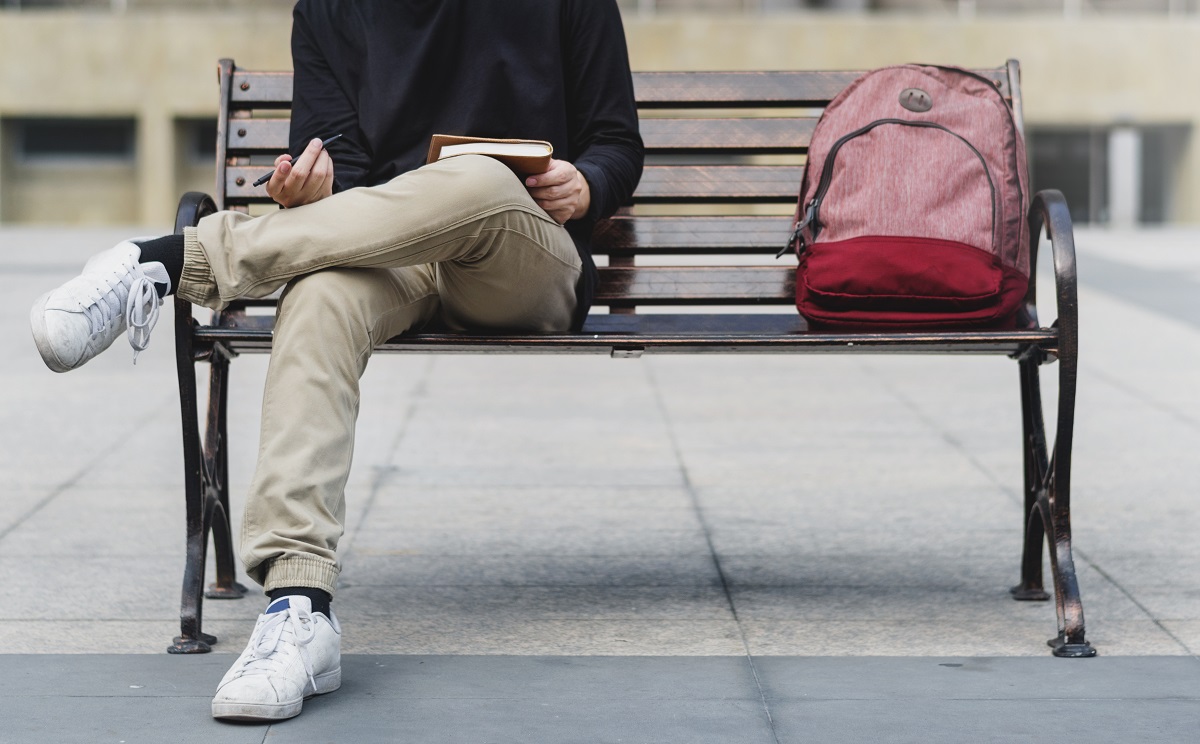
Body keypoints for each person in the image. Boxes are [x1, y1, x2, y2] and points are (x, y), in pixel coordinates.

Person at [30, 0, 643, 723]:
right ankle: (299, 609)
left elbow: (616, 143)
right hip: (393, 250)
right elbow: (342, 171)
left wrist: (588, 182)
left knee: (480, 180)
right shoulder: (331, 9)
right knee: (318, 293)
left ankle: (170, 264)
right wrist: (314, 191)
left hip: (521, 256)